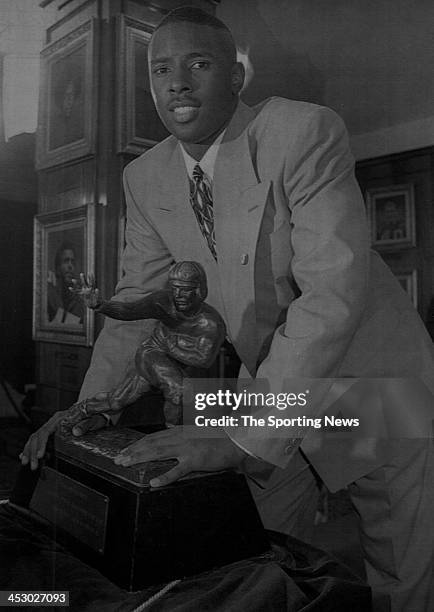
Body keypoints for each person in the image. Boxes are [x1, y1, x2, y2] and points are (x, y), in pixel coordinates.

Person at [22, 8, 434, 610]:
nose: (177, 82)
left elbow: (331, 295)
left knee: (402, 577)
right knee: (250, 558)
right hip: (265, 385)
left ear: (236, 77)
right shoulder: (146, 177)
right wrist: (88, 411)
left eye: (199, 63)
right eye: (162, 69)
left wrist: (244, 440)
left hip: (369, 386)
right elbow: (137, 309)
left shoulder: (305, 131)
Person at [63, 261, 226, 427]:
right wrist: (100, 305)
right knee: (179, 390)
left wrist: (170, 345)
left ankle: (83, 409)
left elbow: (203, 360)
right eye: (174, 288)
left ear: (199, 291)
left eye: (185, 289)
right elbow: (130, 311)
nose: (178, 295)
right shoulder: (163, 301)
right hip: (151, 353)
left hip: (170, 360)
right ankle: (172, 435)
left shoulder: (210, 324)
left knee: (118, 400)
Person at [47, 241, 83, 325]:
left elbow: (71, 323)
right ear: (58, 267)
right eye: (66, 261)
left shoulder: (78, 298)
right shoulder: (50, 293)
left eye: (72, 262)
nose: (70, 266)